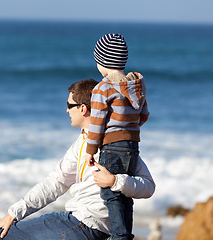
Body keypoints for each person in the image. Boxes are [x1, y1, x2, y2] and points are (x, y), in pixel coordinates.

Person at [0, 79, 154, 240]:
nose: (67, 110)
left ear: (83, 109)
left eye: (69, 105)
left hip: (84, 224)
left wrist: (115, 181)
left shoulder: (111, 144)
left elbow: (148, 186)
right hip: (94, 227)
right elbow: (55, 184)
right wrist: (14, 214)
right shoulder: (106, 141)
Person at [85, 34, 149, 240]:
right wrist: (129, 129)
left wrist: (90, 151)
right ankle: (125, 234)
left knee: (110, 192)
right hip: (132, 145)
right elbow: (144, 115)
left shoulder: (102, 88)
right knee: (125, 193)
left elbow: (97, 123)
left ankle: (119, 236)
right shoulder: (137, 86)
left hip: (111, 146)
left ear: (101, 63)